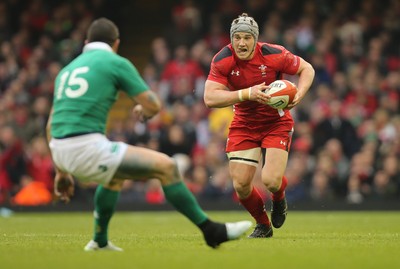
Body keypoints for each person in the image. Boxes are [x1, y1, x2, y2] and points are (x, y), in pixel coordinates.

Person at [46, 17, 251, 251]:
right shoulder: (114, 62)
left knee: (114, 177)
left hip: (59, 148)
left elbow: (51, 123)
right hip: (85, 146)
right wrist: (143, 110)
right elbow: (153, 105)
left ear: (86, 42)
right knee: (167, 167)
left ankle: (99, 241)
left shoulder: (66, 71)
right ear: (116, 44)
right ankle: (211, 231)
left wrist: (61, 171)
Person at [204, 13, 315, 238]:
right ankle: (263, 225)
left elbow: (307, 69)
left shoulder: (274, 54)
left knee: (271, 181)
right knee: (241, 185)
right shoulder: (222, 59)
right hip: (244, 123)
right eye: (237, 38)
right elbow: (210, 98)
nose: (242, 43)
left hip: (276, 121)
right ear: (231, 39)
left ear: (256, 39)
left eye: (247, 38)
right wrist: (248, 94)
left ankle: (279, 198)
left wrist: (299, 95)